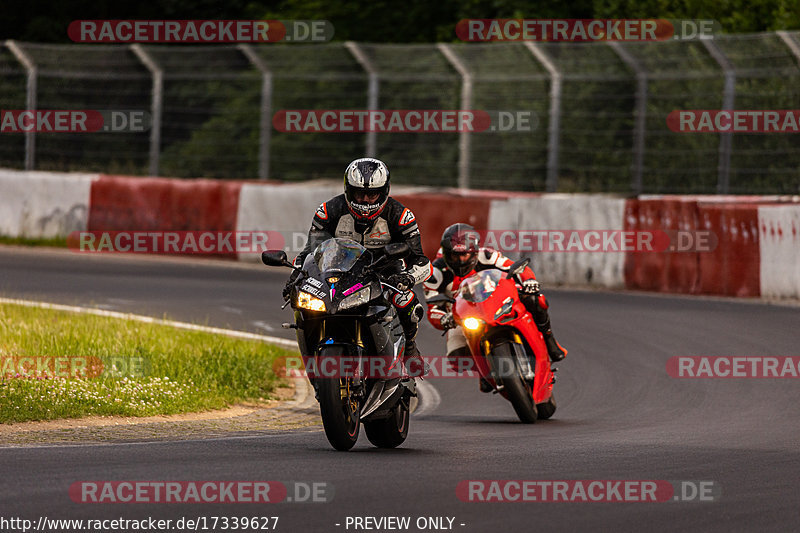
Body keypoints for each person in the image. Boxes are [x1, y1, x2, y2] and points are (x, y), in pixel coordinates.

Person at [283, 157, 432, 375]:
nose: (365, 201)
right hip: (340, 272)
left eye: (372, 194)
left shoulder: (400, 216)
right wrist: (295, 277)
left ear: (384, 191)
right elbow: (310, 253)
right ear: (348, 190)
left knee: (406, 302)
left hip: (385, 273)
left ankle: (409, 349)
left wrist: (407, 278)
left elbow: (421, 260)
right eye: (359, 194)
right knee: (305, 304)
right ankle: (315, 358)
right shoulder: (329, 211)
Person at [424, 223, 567, 392]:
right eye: (455, 256)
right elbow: (432, 307)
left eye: (465, 255)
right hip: (463, 317)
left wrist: (529, 281)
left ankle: (550, 342)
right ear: (447, 254)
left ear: (475, 251)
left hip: (499, 300)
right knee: (456, 358)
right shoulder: (435, 273)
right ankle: (484, 371)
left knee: (536, 300)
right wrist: (443, 319)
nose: (461, 260)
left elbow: (518, 268)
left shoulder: (487, 255)